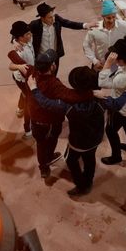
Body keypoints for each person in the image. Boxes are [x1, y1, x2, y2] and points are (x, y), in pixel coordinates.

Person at [30, 67, 126, 196]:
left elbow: (46, 103)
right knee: (90, 158)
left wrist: (34, 89)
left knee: (70, 160)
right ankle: (88, 181)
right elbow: (117, 104)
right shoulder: (101, 100)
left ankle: (81, 185)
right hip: (95, 139)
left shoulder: (68, 105)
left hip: (78, 142)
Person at [29, 50, 93, 178]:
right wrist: (91, 93)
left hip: (34, 119)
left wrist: (18, 65)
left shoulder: (31, 75)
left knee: (40, 143)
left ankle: (45, 163)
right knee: (50, 141)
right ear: (53, 66)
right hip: (50, 122)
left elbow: (15, 60)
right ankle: (45, 164)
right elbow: (72, 96)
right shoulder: (54, 84)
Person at [98, 38, 126, 165]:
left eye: (117, 60)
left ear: (123, 60)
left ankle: (116, 156)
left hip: (121, 107)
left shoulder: (124, 78)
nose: (115, 62)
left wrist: (107, 64)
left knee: (110, 130)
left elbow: (102, 82)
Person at [28, 2, 92, 71]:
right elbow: (21, 32)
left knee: (54, 75)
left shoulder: (57, 19)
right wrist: (15, 42)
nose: (52, 19)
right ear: (42, 18)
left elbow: (69, 23)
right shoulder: (35, 25)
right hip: (42, 58)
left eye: (52, 16)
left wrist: (85, 25)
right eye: (49, 17)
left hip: (55, 56)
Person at [84, 0, 126, 70]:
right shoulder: (94, 29)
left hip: (117, 64)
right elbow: (86, 45)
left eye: (114, 17)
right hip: (100, 63)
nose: (112, 20)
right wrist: (94, 60)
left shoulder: (123, 25)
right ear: (103, 16)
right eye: (108, 18)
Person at [7, 21, 35, 138]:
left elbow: (14, 37)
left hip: (28, 76)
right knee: (30, 102)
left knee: (24, 95)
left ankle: (19, 108)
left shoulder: (27, 41)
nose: (31, 35)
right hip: (23, 80)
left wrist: (14, 40)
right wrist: (19, 66)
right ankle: (27, 129)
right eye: (28, 34)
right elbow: (10, 66)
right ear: (21, 37)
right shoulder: (19, 51)